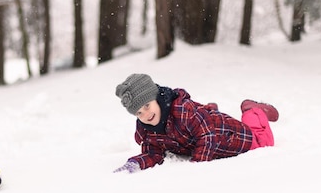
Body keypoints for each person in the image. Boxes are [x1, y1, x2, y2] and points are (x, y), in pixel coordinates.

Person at [113, 73, 279, 173]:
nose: (146, 114)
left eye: (147, 106)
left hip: (231, 136)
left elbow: (207, 136)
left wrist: (196, 167)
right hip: (203, 124)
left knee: (261, 140)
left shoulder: (182, 111)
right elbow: (153, 153)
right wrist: (135, 163)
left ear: (156, 98)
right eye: (139, 113)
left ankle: (253, 110)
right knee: (201, 121)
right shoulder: (149, 130)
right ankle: (209, 111)